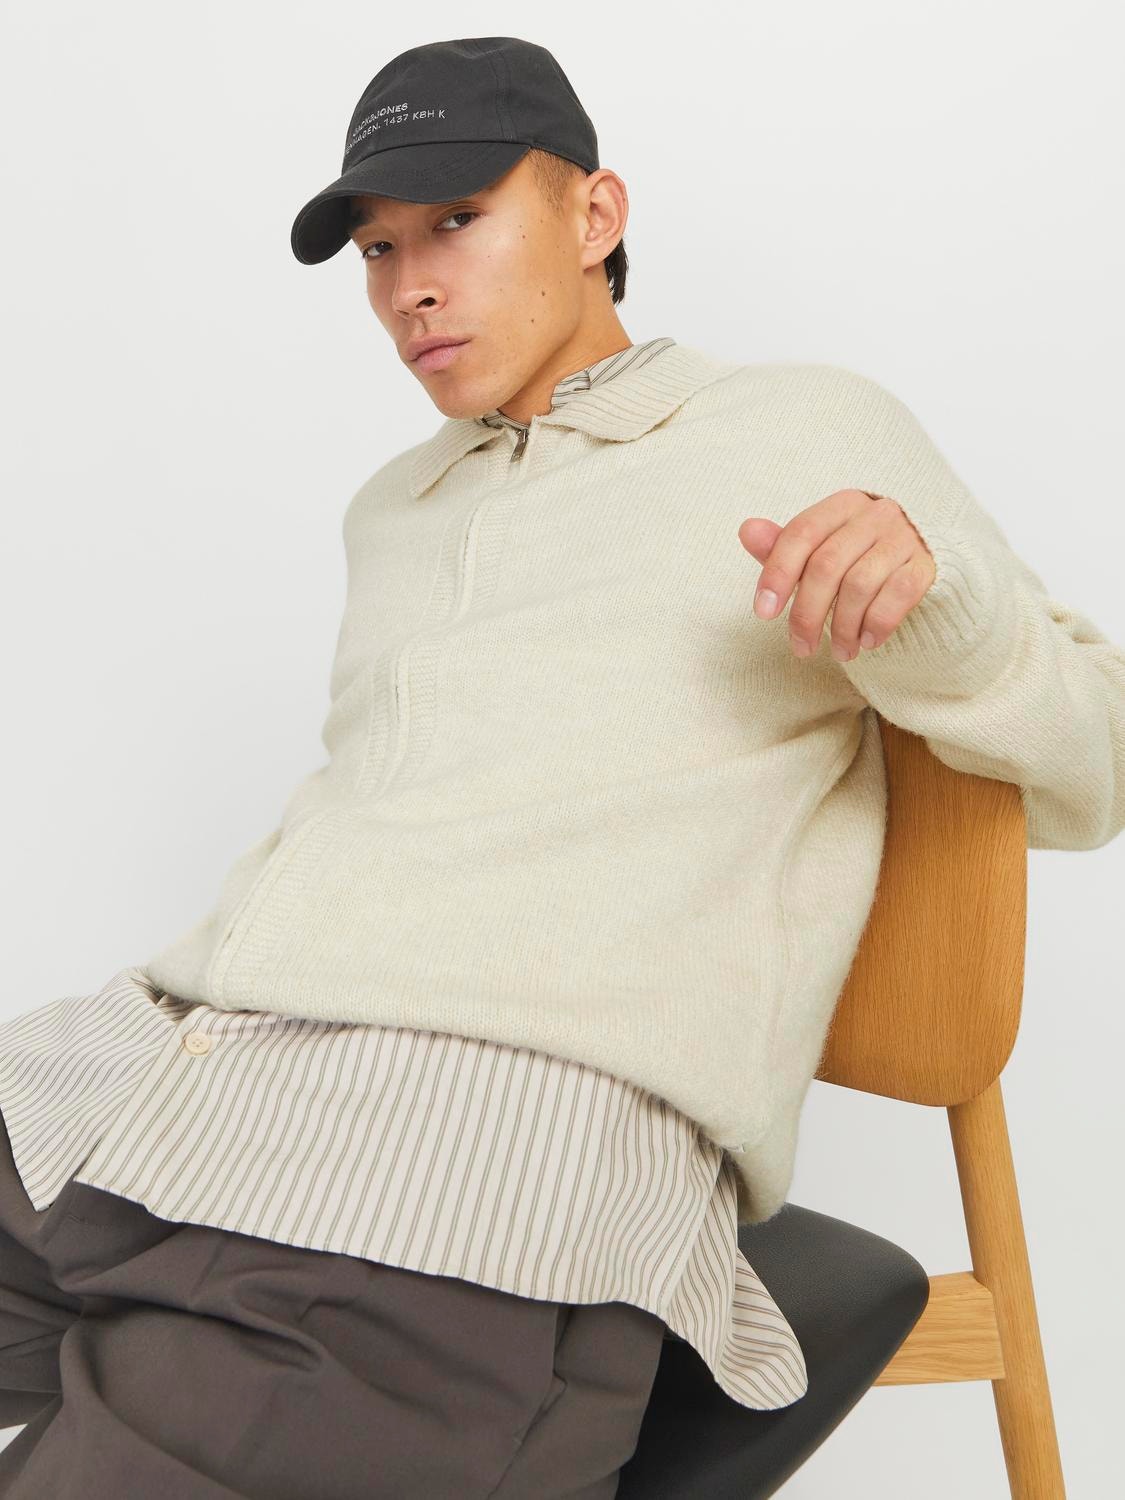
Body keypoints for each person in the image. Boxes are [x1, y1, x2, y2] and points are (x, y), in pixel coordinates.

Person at [4, 32, 1125, 1500]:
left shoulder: (800, 429)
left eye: (455, 221)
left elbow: (1098, 755)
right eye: (378, 248)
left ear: (595, 216)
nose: (408, 287)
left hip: (450, 1176)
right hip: (147, 1087)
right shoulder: (397, 506)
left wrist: (932, 605)